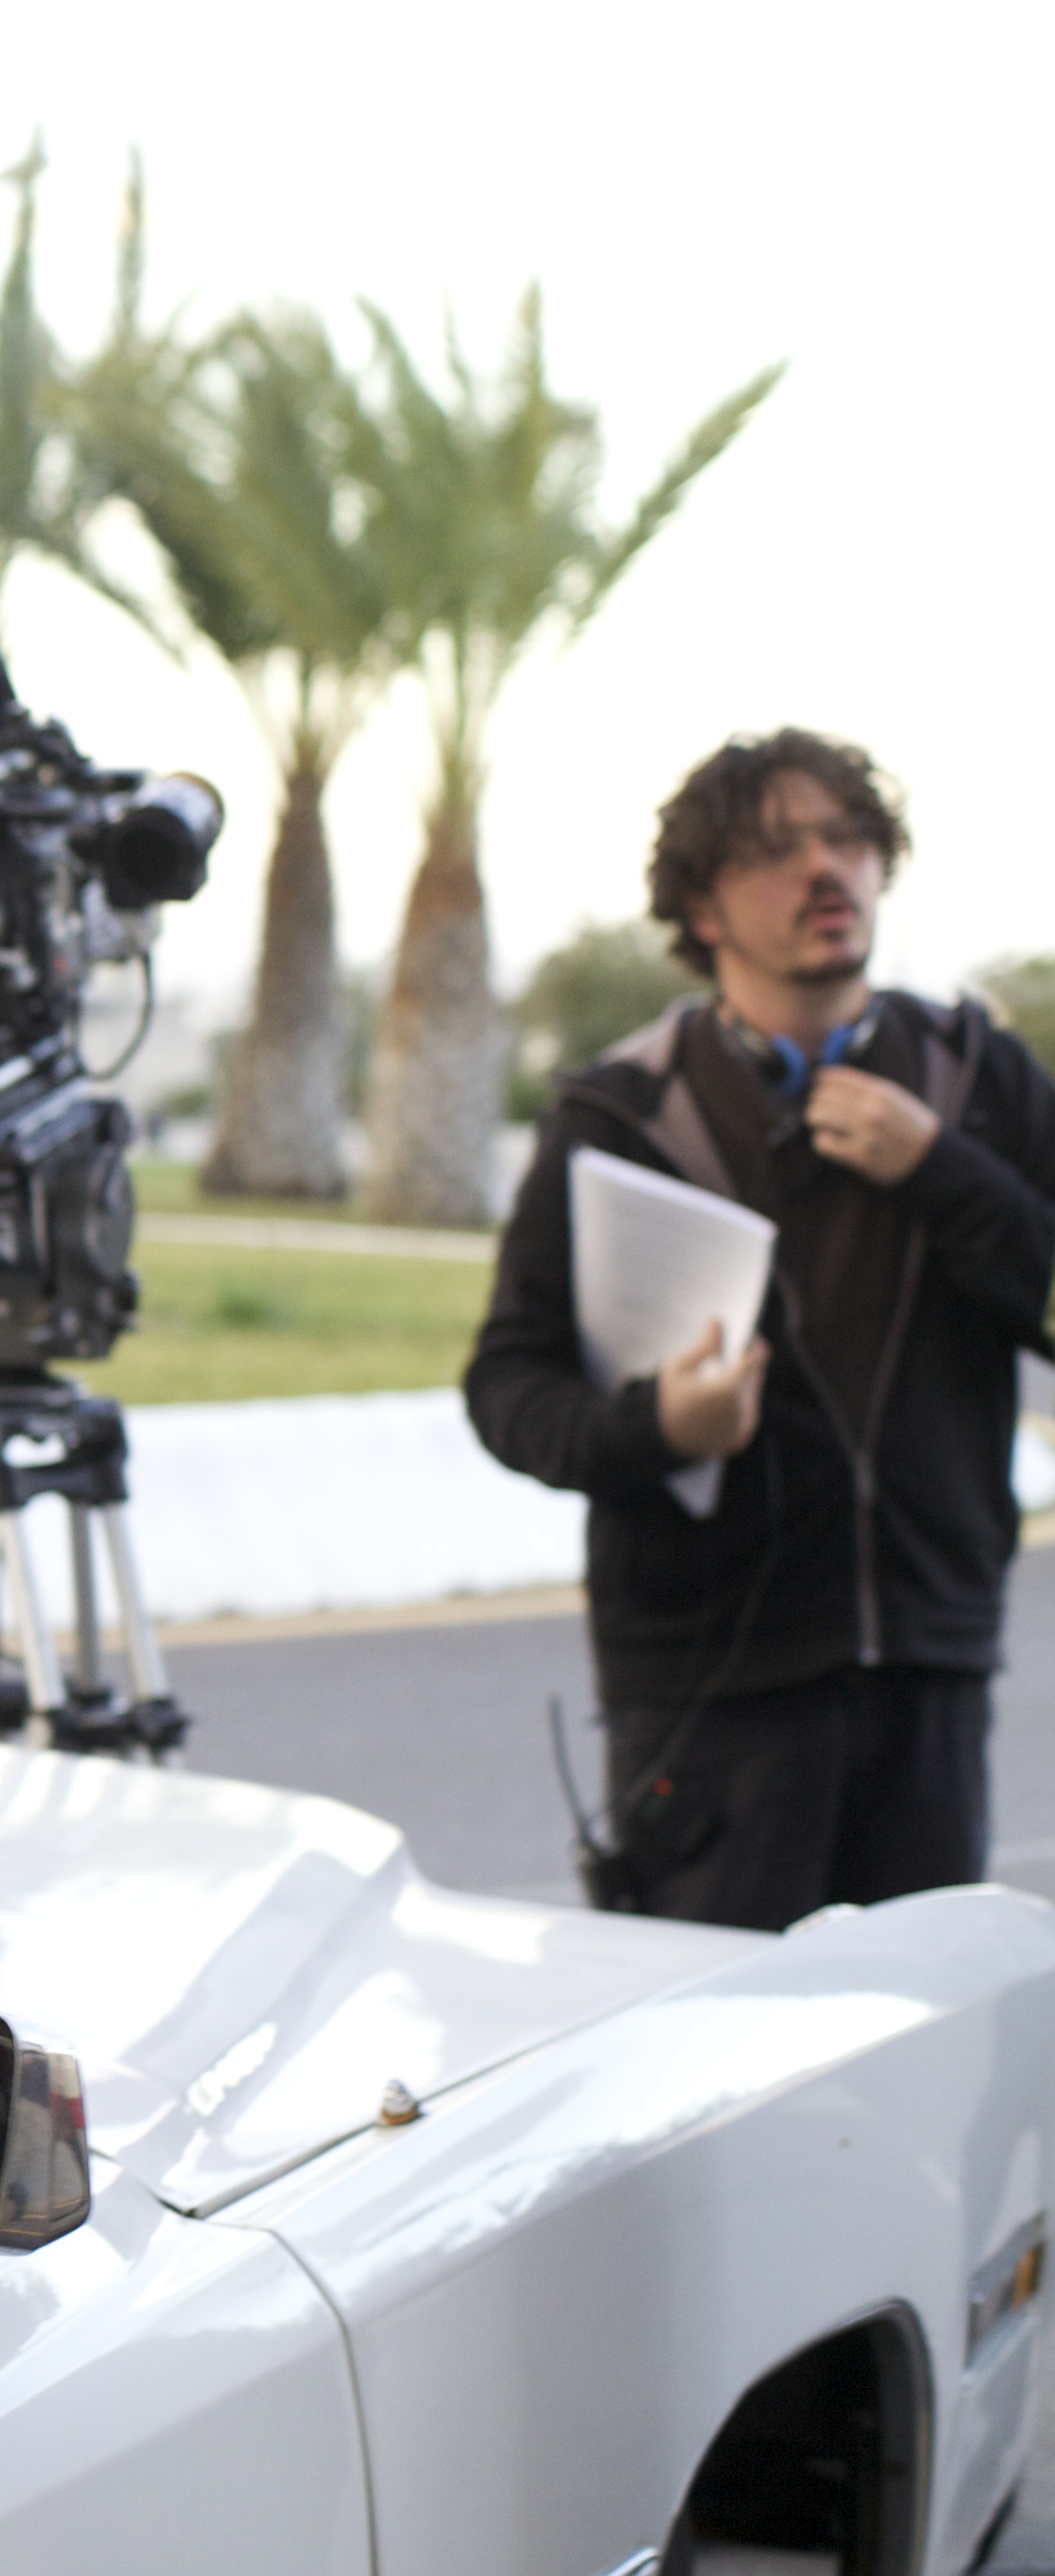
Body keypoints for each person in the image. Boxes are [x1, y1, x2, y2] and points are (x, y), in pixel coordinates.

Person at [466, 731, 1055, 1928]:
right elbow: (507, 1386)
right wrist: (660, 1426)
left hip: (931, 1662)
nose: (826, 872)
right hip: (707, 1688)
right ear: (702, 903)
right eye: (778, 851)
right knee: (712, 2074)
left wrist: (946, 1173)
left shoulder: (978, 1080)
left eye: (848, 839)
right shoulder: (619, 1113)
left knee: (907, 2073)